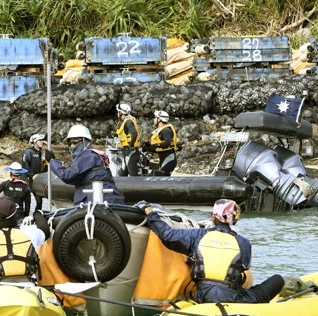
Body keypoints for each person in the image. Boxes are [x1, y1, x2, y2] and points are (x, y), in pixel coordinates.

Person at [139, 199, 284, 303]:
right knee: (278, 279)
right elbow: (244, 268)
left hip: (202, 296)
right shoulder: (243, 242)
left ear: (213, 217)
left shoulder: (197, 236)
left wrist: (150, 212)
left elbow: (167, 235)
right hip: (233, 298)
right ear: (235, 220)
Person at [45, 124, 125, 205]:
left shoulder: (87, 156)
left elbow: (67, 176)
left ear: (85, 141)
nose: (72, 146)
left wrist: (52, 161)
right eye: (70, 143)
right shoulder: (92, 156)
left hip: (95, 200)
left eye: (75, 142)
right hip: (105, 199)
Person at [143, 110, 178, 176]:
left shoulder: (166, 130)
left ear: (160, 119)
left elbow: (167, 143)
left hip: (169, 159)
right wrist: (148, 147)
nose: (154, 119)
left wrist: (156, 145)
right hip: (164, 158)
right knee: (160, 179)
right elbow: (160, 147)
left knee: (160, 176)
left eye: (155, 117)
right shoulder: (160, 130)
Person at [22, 133, 48, 211]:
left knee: (39, 201)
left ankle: (36, 217)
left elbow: (44, 167)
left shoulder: (42, 153)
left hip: (37, 180)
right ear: (34, 142)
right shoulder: (28, 152)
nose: (41, 142)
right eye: (39, 140)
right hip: (27, 179)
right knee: (26, 201)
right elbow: (25, 165)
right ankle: (24, 217)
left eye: (42, 140)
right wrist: (32, 175)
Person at [115, 103, 141, 176]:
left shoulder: (128, 121)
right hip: (126, 151)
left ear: (121, 112)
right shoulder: (126, 121)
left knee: (133, 174)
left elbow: (134, 133)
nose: (117, 113)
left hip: (131, 152)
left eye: (118, 111)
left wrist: (130, 146)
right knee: (122, 173)